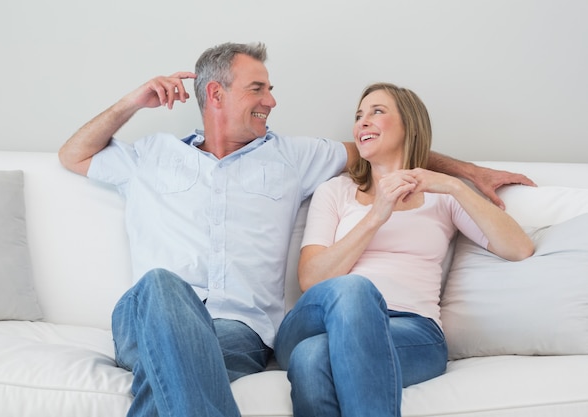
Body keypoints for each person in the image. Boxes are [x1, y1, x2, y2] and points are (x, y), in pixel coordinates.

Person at [58, 42, 534, 417]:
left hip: (237, 333)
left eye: (269, 89)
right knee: (164, 286)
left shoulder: (294, 156)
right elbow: (72, 154)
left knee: (174, 371)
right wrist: (132, 102)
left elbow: (386, 150)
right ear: (216, 94)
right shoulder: (151, 155)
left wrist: (467, 172)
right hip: (149, 315)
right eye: (258, 88)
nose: (272, 100)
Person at [274, 82, 535, 417]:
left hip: (412, 330)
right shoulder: (335, 191)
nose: (362, 122)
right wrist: (376, 216)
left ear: (410, 126)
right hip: (319, 318)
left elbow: (519, 248)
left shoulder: (443, 197)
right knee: (354, 289)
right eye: (359, 115)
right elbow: (312, 279)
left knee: (312, 358)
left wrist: (455, 185)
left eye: (377, 112)